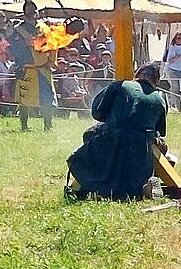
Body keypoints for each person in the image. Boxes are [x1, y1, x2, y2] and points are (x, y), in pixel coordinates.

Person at [67, 63, 168, 200]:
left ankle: (89, 184)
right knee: (159, 145)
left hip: (112, 139)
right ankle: (148, 180)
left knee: (89, 136)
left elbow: (97, 112)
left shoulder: (120, 85)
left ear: (137, 75)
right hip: (141, 153)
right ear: (156, 81)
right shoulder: (160, 99)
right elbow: (159, 131)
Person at [8, 0, 57, 131]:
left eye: (33, 10)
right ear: (25, 13)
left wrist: (51, 62)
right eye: (29, 11)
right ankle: (24, 126)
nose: (32, 13)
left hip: (43, 68)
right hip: (27, 68)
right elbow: (13, 48)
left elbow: (53, 46)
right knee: (24, 100)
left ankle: (48, 125)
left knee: (47, 98)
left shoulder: (45, 29)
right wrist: (26, 45)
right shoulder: (18, 30)